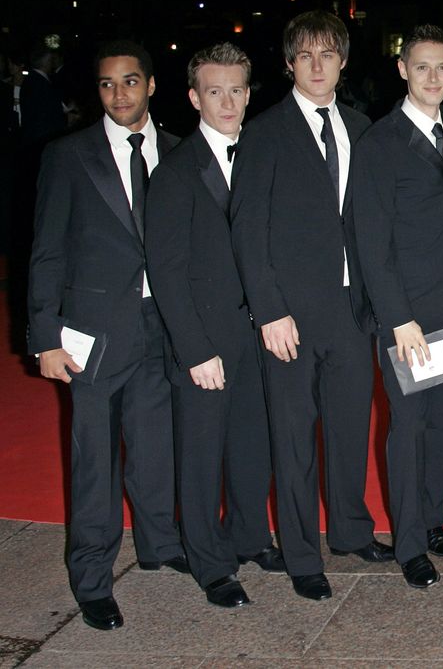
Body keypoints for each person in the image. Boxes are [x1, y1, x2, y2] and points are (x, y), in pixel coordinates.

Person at [230, 10, 393, 602]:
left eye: (328, 54)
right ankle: (302, 553)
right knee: (294, 439)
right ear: (290, 64)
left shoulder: (360, 125)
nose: (318, 65)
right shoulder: (264, 131)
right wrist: (269, 310)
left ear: (343, 61)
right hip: (291, 319)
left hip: (353, 309)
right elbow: (248, 230)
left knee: (350, 429)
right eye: (306, 56)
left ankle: (350, 531)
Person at [27, 40, 186, 631]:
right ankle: (92, 579)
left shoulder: (176, 152)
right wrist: (44, 337)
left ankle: (159, 546)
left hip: (159, 327)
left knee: (153, 448)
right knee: (95, 460)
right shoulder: (69, 156)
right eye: (106, 84)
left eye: (129, 82)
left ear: (151, 85)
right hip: (90, 332)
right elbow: (46, 252)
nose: (118, 94)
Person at [145, 43, 283, 609]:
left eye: (236, 90)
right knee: (201, 456)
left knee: (253, 445)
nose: (227, 101)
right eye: (214, 91)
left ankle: (250, 536)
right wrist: (195, 349)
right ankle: (210, 562)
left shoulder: (261, 153)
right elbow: (167, 271)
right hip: (204, 341)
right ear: (194, 97)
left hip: (258, 335)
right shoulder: (176, 170)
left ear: (249, 94)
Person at [351, 24, 443, 589]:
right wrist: (399, 319)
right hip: (412, 318)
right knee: (412, 425)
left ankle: (430, 519)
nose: (432, 77)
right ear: (402, 69)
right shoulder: (379, 143)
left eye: (442, 67)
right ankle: (408, 545)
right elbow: (371, 242)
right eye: (421, 67)